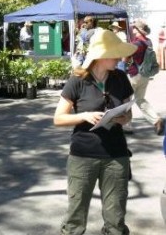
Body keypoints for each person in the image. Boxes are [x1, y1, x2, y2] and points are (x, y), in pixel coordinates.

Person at [54, 29, 137, 235]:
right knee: (75, 217)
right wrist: (84, 116)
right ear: (100, 56)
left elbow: (129, 115)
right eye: (114, 53)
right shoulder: (78, 80)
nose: (119, 57)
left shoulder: (120, 78)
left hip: (117, 154)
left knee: (116, 217)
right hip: (83, 155)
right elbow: (58, 119)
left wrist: (122, 118)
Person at [124, 20, 164, 135]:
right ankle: (156, 120)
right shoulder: (148, 42)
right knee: (140, 99)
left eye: (134, 28)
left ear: (138, 30)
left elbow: (126, 57)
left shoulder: (137, 43)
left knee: (126, 99)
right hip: (145, 75)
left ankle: (127, 126)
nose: (132, 29)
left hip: (134, 74)